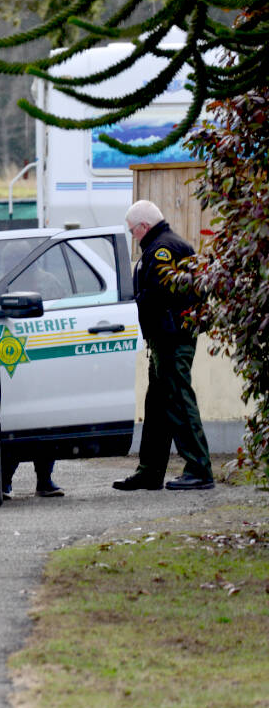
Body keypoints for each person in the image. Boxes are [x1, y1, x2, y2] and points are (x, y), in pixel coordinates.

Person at [114, 200, 214, 491]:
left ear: (143, 226)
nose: (133, 236)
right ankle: (150, 471)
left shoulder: (162, 249)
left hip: (171, 337)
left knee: (179, 402)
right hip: (166, 338)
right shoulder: (167, 244)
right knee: (157, 406)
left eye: (133, 231)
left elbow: (159, 292)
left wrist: (135, 304)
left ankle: (199, 469)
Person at [0, 242, 64, 498]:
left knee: (43, 424)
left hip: (40, 358)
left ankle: (44, 480)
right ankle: (6, 481)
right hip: (14, 358)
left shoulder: (47, 283)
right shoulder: (3, 285)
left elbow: (60, 318)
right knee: (15, 425)